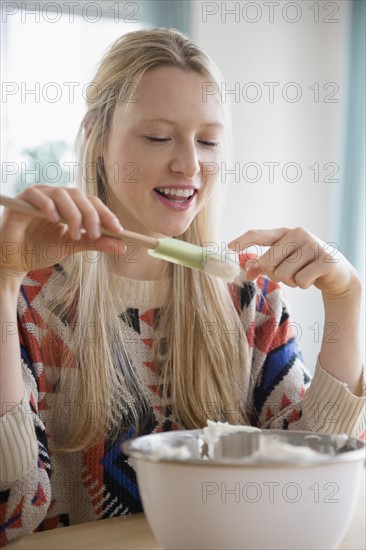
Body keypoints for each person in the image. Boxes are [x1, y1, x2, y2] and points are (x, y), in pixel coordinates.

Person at [0, 28, 364, 545]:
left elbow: (315, 481)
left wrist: (346, 298)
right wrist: (4, 278)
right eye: (157, 136)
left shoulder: (249, 302)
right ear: (98, 138)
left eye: (209, 141)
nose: (190, 165)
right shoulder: (27, 302)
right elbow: (11, 512)